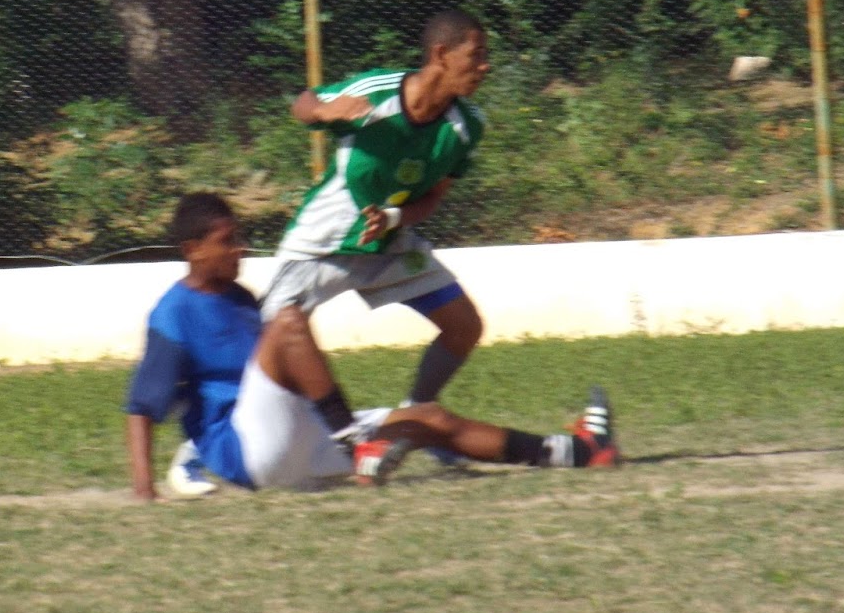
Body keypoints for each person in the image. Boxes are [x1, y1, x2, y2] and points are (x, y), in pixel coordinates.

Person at [125, 192, 617, 500]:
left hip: (298, 440)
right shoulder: (173, 313)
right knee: (289, 321)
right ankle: (356, 443)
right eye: (227, 241)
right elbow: (141, 407)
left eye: (240, 237)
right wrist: (145, 489)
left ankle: (573, 452)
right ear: (192, 250)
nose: (240, 249)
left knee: (428, 419)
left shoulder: (239, 298)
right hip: (247, 449)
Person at [259, 8, 491, 418]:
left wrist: (392, 219)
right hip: (325, 239)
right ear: (441, 54)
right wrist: (325, 112)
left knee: (464, 326)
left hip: (389, 242)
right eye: (476, 55)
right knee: (261, 340)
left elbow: (433, 197)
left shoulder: (467, 126)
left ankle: (414, 416)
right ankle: (221, 434)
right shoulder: (379, 91)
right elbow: (304, 102)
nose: (485, 66)